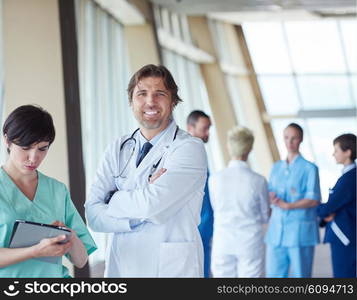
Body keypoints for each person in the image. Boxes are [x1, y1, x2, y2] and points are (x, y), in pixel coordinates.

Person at [85, 64, 208, 277]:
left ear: (173, 101)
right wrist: (142, 204)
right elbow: (93, 215)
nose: (150, 101)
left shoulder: (189, 148)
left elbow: (152, 205)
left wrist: (113, 198)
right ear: (131, 102)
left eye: (159, 94)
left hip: (170, 270)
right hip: (122, 266)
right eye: (142, 94)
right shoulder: (118, 147)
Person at [0, 105, 96, 278]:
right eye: (25, 147)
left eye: (43, 149)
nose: (33, 157)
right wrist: (34, 251)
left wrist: (69, 234)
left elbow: (81, 260)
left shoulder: (57, 190)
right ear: (7, 140)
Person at [209, 126, 270, 277]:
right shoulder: (258, 181)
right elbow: (265, 216)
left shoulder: (215, 179)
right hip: (249, 242)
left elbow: (216, 207)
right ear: (249, 149)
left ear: (229, 147)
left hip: (223, 241)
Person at [265, 123, 321, 278]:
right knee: (273, 276)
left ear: (301, 139)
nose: (290, 142)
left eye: (294, 138)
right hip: (277, 231)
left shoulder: (310, 168)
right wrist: (271, 197)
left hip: (299, 232)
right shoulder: (276, 167)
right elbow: (270, 191)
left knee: (300, 276)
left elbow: (314, 199)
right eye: (286, 138)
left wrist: (289, 205)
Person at [317, 133, 356, 278]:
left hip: (345, 237)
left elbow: (329, 207)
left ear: (348, 152)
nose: (333, 154)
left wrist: (315, 207)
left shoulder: (349, 178)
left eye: (336, 150)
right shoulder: (348, 177)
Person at [187, 110, 213, 278]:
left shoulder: (200, 153)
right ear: (191, 128)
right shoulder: (186, 155)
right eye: (204, 128)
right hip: (196, 226)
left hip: (206, 224)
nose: (207, 133)